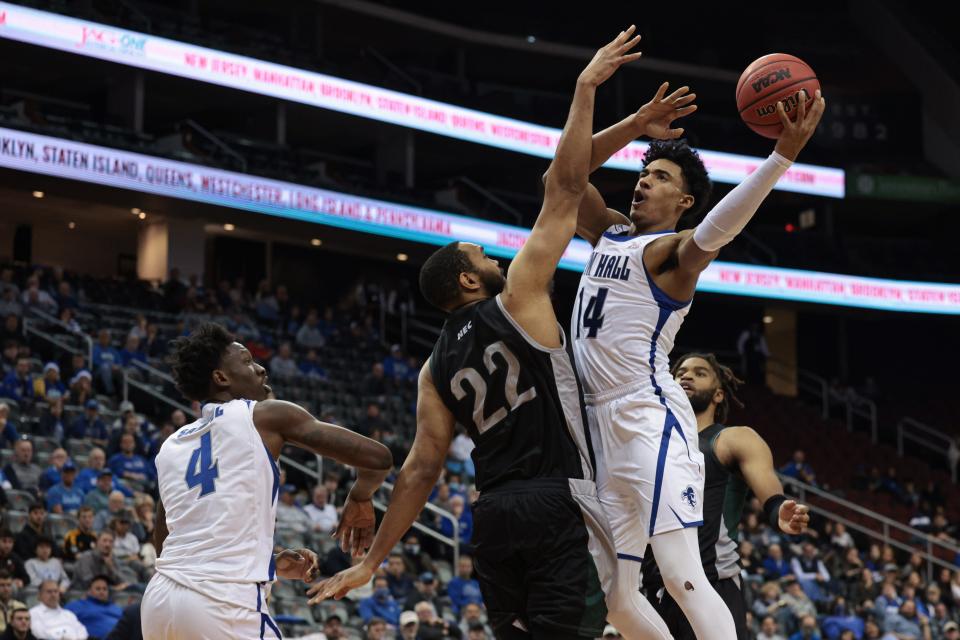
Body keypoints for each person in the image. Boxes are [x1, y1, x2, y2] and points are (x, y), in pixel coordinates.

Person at [308, 28, 690, 640]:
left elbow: (421, 468)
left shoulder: (433, 368)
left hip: (492, 515)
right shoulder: (520, 297)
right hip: (555, 498)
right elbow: (563, 185)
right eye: (482, 254)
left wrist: (374, 561)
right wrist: (587, 87)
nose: (493, 257)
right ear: (467, 279)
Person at [568, 41, 825, 636]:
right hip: (598, 426)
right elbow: (563, 174)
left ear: (683, 201)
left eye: (658, 177)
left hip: (646, 415)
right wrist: (622, 117)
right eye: (642, 172)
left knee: (683, 576)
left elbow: (717, 231)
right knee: (618, 598)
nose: (642, 183)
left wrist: (781, 157)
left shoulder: (671, 255)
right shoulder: (609, 233)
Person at [140, 323, 393, 638]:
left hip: (160, 602)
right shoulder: (264, 416)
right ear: (221, 378)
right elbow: (379, 458)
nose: (260, 368)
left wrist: (267, 561)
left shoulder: (172, 444)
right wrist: (360, 495)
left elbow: (166, 541)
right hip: (223, 603)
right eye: (246, 362)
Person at [642, 353, 810, 640]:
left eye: (699, 372)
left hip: (712, 584)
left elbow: (770, 494)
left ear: (719, 394)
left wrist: (778, 509)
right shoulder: (650, 442)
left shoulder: (732, 439)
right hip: (656, 589)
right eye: (680, 371)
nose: (686, 376)